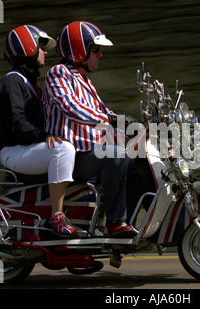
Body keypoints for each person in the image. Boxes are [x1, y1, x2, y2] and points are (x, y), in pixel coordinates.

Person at [43, 21, 134, 237]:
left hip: (89, 152)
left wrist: (138, 129)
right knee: (116, 155)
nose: (100, 55)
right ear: (78, 50)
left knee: (137, 159)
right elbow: (71, 107)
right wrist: (112, 119)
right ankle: (115, 222)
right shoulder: (58, 73)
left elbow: (103, 112)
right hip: (73, 156)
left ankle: (128, 223)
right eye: (95, 50)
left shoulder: (86, 82)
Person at [0, 25, 78, 237]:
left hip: (28, 147)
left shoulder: (32, 84)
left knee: (72, 146)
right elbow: (17, 124)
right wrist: (45, 136)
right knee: (62, 150)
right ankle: (56, 217)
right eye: (41, 46)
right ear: (27, 47)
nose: (45, 51)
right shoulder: (12, 81)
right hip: (13, 150)